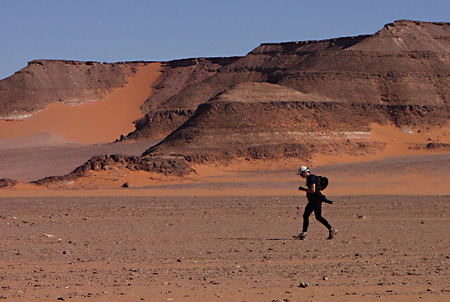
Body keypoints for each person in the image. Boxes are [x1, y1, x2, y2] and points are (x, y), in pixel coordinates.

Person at [293, 166, 337, 240]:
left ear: (305, 172)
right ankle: (331, 230)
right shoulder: (311, 178)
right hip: (315, 200)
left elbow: (313, 190)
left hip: (315, 200)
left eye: (301, 174)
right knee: (316, 217)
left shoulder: (311, 178)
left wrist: (304, 189)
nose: (301, 176)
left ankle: (304, 234)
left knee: (308, 216)